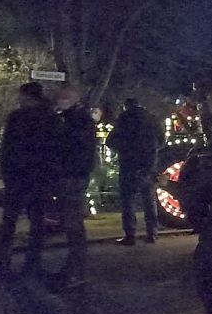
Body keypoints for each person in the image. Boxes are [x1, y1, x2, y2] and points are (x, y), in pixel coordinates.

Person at [0, 82, 61, 280]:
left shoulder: (17, 117)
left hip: (18, 177)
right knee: (37, 222)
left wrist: (6, 172)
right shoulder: (52, 118)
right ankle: (33, 265)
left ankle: (1, 263)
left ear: (26, 96)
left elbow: (9, 149)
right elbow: (55, 150)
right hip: (40, 178)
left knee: (9, 221)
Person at [47, 84, 97, 290]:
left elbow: (67, 146)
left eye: (60, 99)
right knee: (73, 224)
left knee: (73, 224)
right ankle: (73, 269)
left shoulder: (75, 121)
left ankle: (76, 272)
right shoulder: (78, 119)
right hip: (75, 175)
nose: (57, 103)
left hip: (72, 176)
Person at [106, 98, 161, 245]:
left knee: (128, 200)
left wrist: (123, 149)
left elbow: (110, 141)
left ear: (126, 106)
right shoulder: (151, 118)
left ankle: (130, 235)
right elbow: (162, 139)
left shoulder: (124, 119)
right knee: (149, 198)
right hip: (148, 163)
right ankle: (152, 233)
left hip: (128, 163)